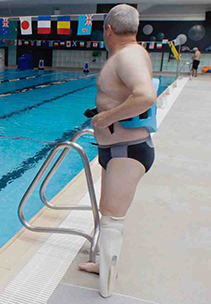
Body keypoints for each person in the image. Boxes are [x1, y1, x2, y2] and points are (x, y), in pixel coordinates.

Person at [77, 4, 157, 298]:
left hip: (127, 150)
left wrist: (108, 117)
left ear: (108, 28)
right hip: (115, 148)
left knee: (112, 219)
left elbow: (146, 96)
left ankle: (106, 289)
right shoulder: (129, 54)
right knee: (107, 211)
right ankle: (104, 268)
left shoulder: (128, 56)